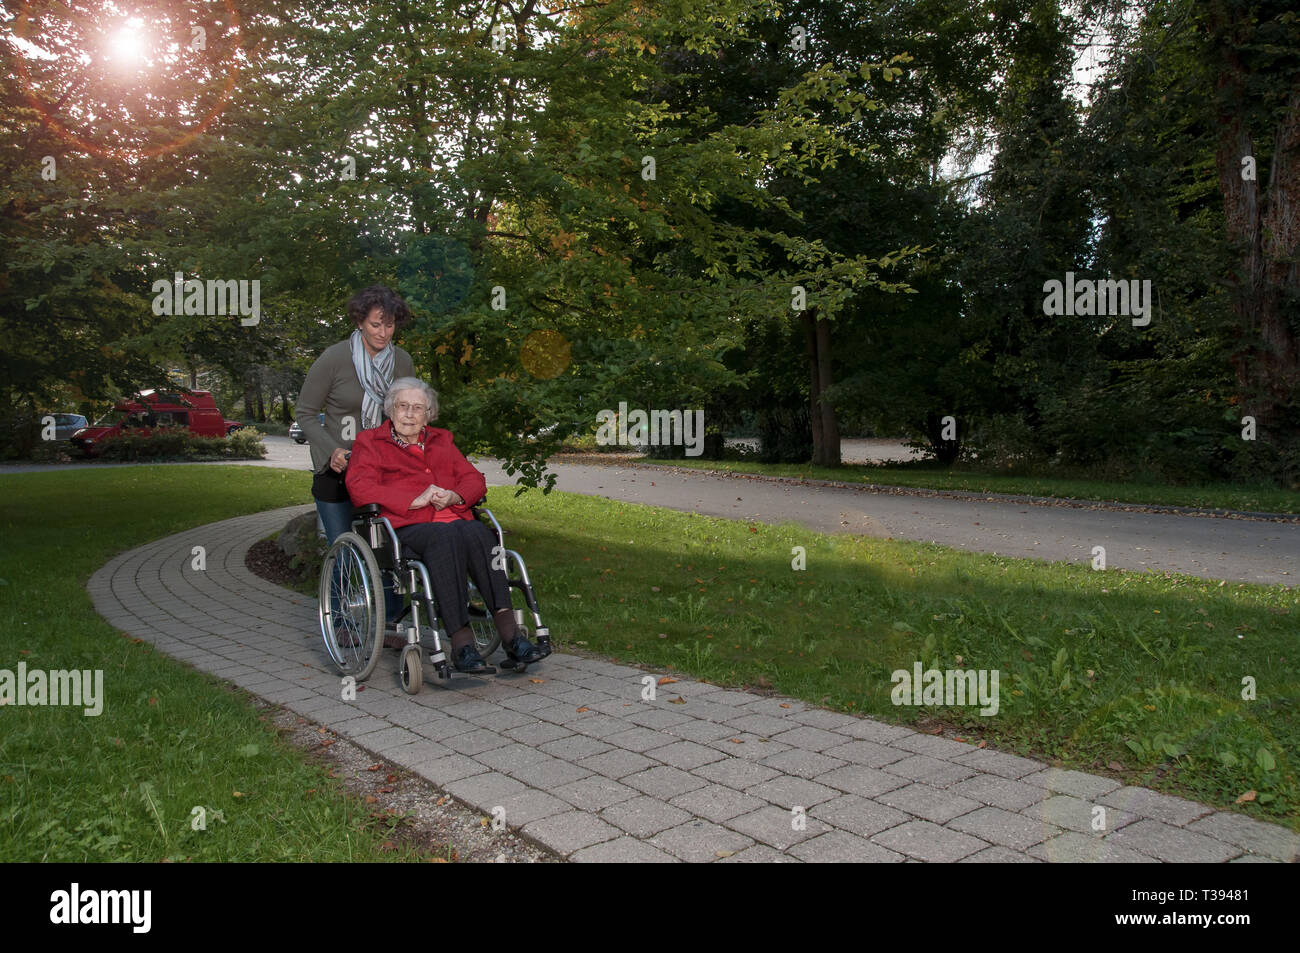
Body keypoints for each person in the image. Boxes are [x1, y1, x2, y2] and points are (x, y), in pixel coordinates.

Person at [345, 376, 546, 673]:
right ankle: (462, 644)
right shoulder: (370, 443)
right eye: (403, 406)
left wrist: (455, 494)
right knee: (445, 536)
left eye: (418, 408)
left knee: (478, 531)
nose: (410, 414)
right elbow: (360, 488)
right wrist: (415, 499)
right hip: (406, 527)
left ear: (429, 414)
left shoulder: (442, 440)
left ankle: (511, 636)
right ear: (390, 409)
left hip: (456, 521)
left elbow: (474, 480)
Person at [297, 285, 414, 636]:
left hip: (383, 470)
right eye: (376, 324)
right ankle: (344, 621)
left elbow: (410, 413)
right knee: (345, 549)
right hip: (338, 471)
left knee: (387, 549)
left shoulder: (402, 361)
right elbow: (305, 414)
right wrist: (332, 450)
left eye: (390, 325)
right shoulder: (334, 359)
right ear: (360, 321)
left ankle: (391, 622)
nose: (383, 333)